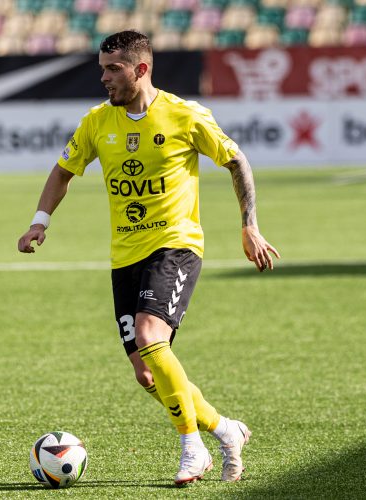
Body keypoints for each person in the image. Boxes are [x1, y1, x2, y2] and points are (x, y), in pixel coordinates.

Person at [18, 30, 279, 486]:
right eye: (101, 68)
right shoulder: (97, 122)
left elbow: (236, 161)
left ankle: (192, 448)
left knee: (149, 334)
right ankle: (224, 429)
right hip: (125, 255)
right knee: (146, 371)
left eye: (112, 69)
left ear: (141, 69)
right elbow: (63, 171)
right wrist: (41, 219)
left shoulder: (185, 115)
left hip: (175, 245)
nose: (103, 78)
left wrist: (249, 224)